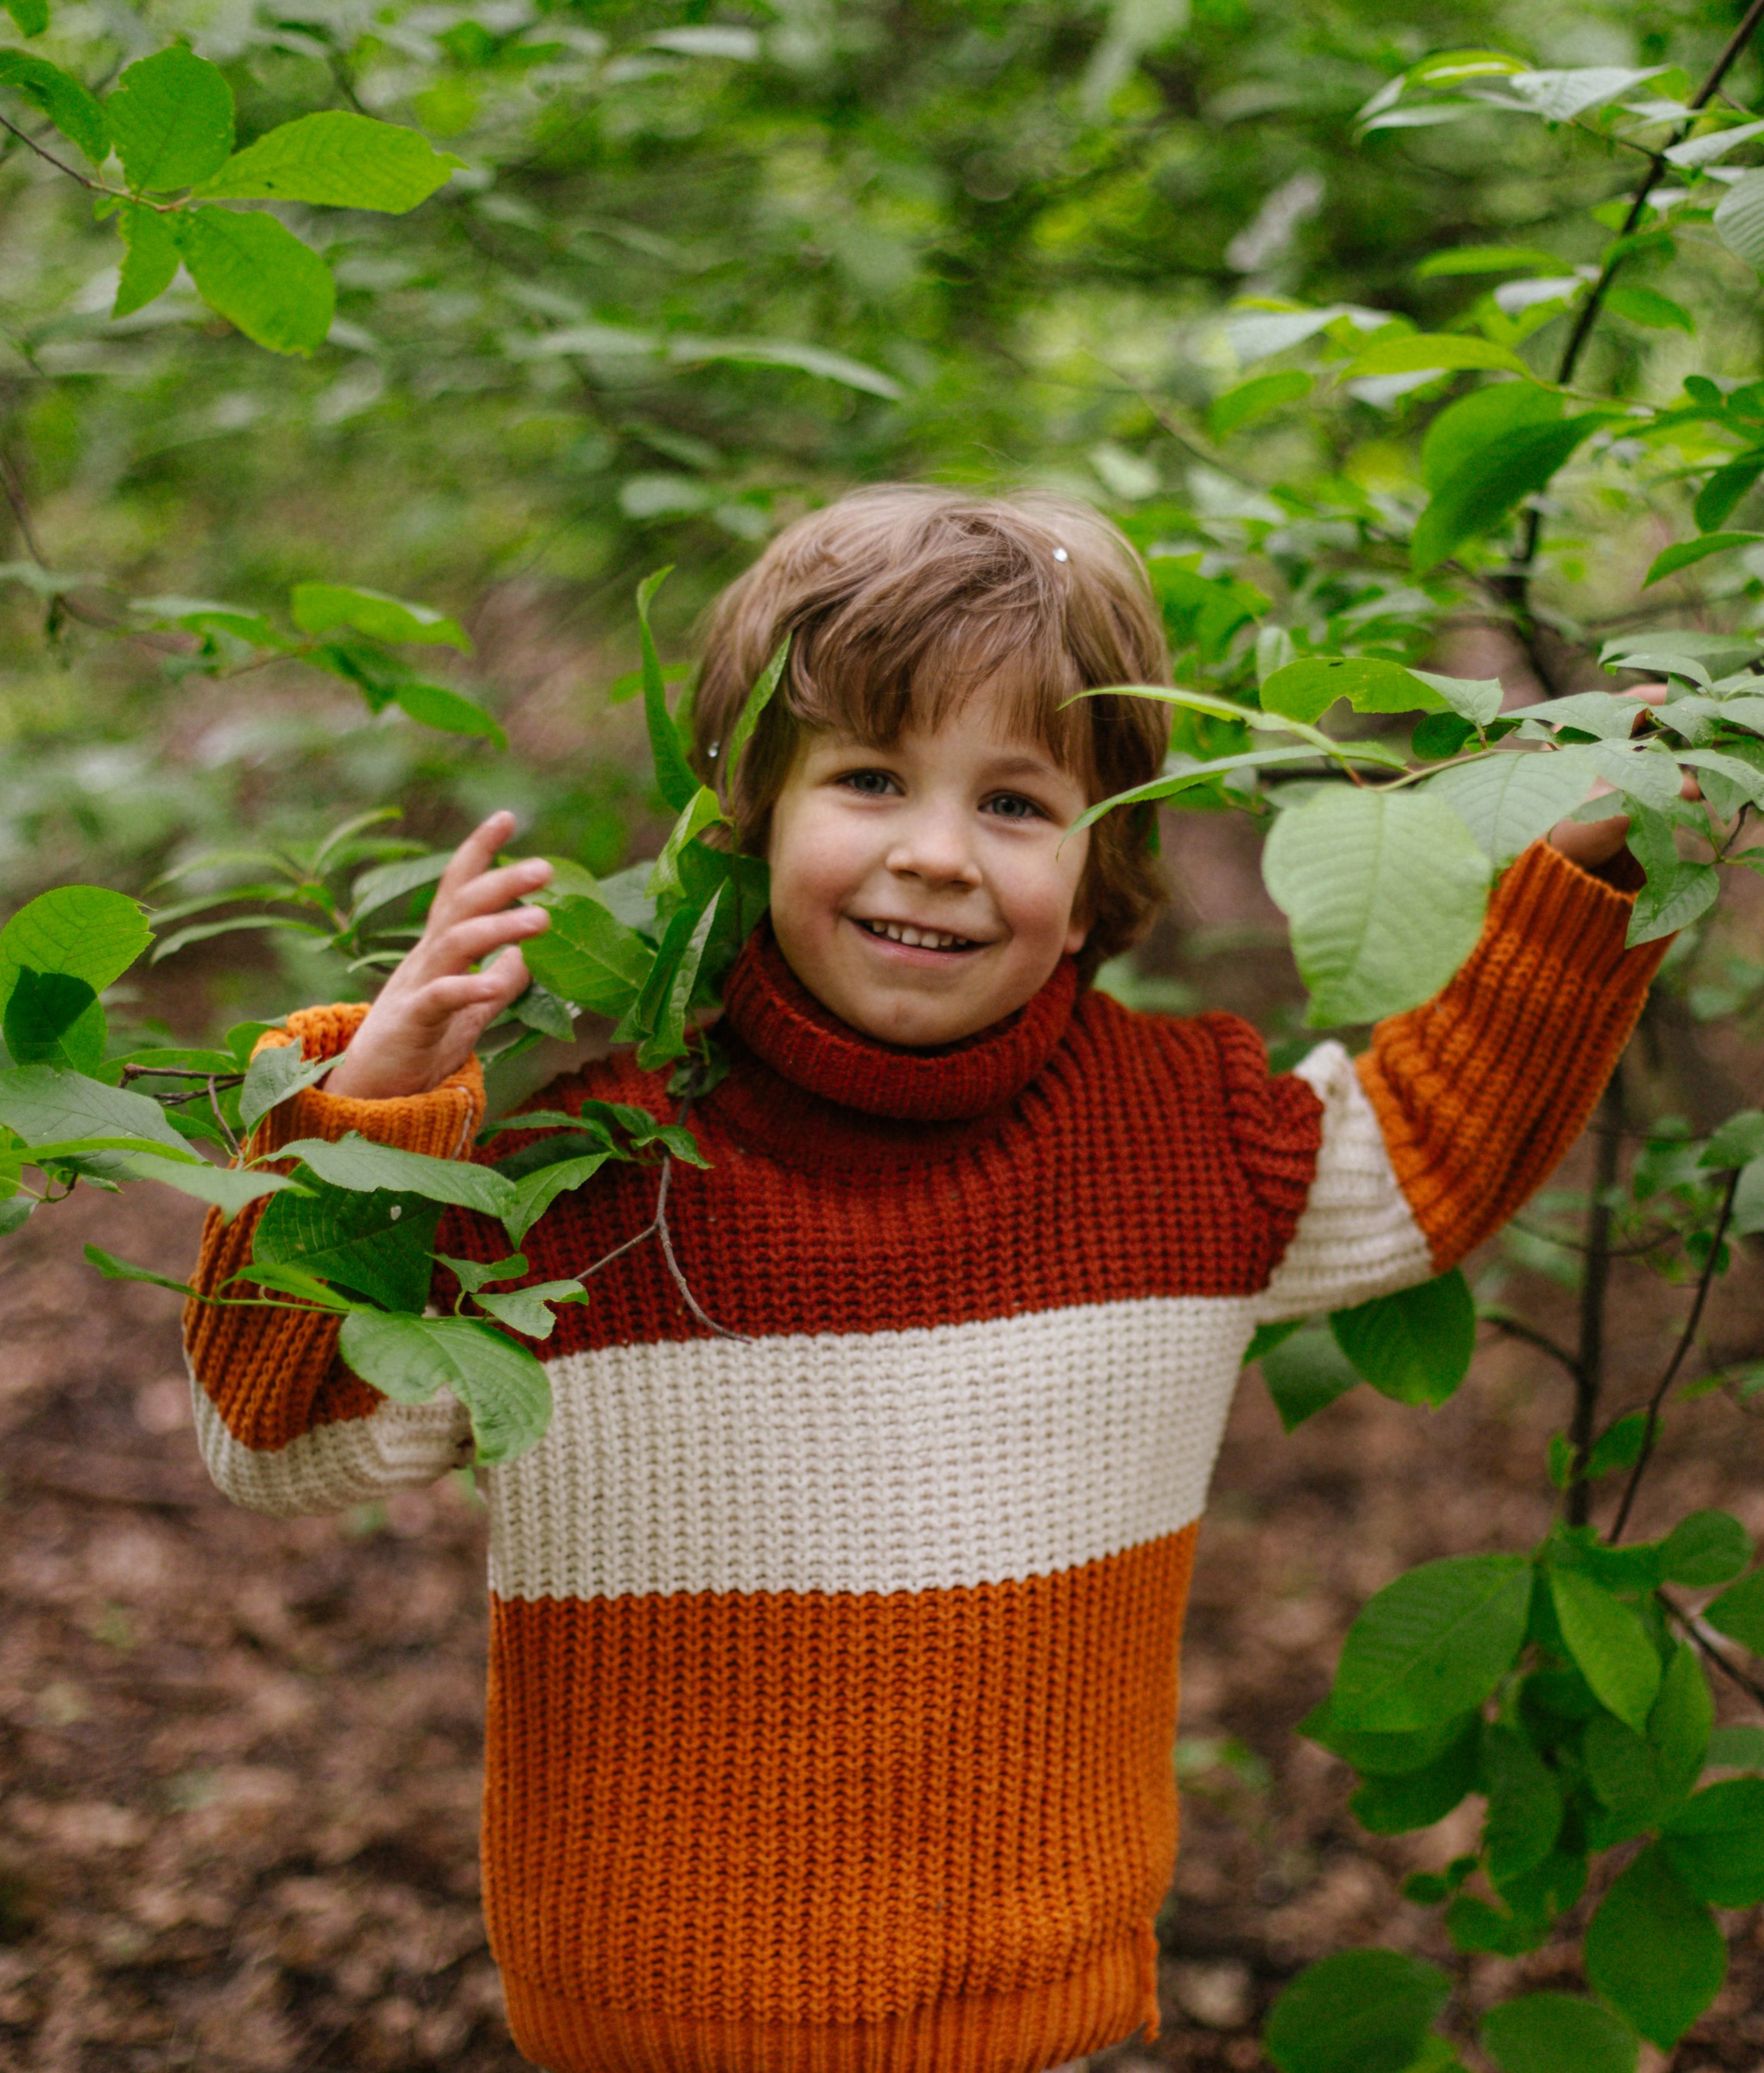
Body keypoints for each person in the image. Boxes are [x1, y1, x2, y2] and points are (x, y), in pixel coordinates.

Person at [183, 486, 1670, 2073]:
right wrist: (363, 1122)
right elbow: (275, 1450)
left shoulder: (1181, 1136)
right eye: (871, 776)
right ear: (749, 808)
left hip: (1041, 2015)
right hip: (655, 2022)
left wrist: (1573, 861)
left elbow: (1426, 1148)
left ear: (1105, 863)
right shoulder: (586, 1173)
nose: (935, 854)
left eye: (1017, 803)